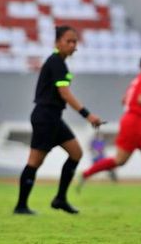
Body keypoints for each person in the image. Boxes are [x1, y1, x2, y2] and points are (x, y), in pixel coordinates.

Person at [13, 25, 103, 215]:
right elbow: (64, 93)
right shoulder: (56, 62)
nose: (72, 45)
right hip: (45, 117)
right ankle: (21, 206)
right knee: (35, 161)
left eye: (75, 42)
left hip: (53, 117)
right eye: (68, 41)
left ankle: (60, 199)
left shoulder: (60, 62)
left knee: (76, 153)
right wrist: (88, 115)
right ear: (57, 43)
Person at [78, 54, 141, 202]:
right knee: (120, 160)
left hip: (134, 121)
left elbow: (125, 100)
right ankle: (86, 174)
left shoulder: (137, 81)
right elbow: (140, 99)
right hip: (132, 125)